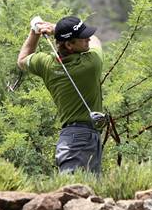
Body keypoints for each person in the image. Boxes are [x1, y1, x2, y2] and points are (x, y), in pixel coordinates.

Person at [17, 16, 104, 174]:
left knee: (88, 192)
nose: (88, 38)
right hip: (81, 139)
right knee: (74, 191)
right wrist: (54, 28)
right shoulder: (91, 64)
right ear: (69, 44)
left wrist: (35, 31)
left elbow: (22, 60)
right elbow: (97, 41)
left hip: (75, 137)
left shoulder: (46, 64)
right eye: (83, 38)